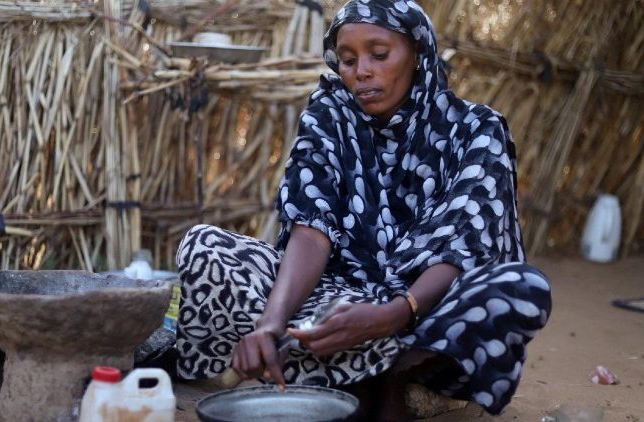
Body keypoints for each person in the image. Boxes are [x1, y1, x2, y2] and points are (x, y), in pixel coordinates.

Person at [174, 0, 552, 420]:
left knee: (521, 288)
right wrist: (271, 323)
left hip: (425, 311)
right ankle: (359, 373)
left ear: (418, 54)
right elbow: (311, 229)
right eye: (348, 59)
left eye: (379, 54)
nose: (361, 71)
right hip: (335, 302)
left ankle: (393, 374)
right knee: (206, 247)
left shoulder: (477, 129)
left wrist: (393, 314)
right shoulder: (330, 114)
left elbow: (462, 248)